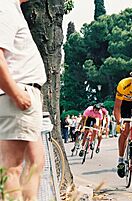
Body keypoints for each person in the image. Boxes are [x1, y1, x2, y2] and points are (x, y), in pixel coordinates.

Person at [0, 0, 47, 200]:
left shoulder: (13, 8)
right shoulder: (4, 6)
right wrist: (16, 94)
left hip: (25, 94)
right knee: (11, 166)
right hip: (18, 94)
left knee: (36, 161)